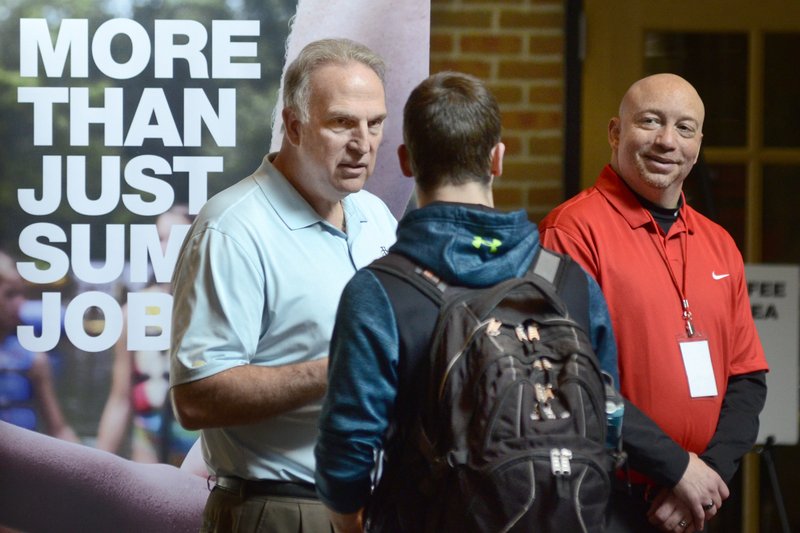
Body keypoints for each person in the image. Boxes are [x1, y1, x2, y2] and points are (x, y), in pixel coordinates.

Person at [314, 71, 619, 533]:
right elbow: (610, 414)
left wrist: (350, 521)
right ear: (497, 159)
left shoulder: (379, 292)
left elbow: (347, 447)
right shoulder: (569, 281)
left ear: (405, 161)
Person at [169, 38, 397, 533]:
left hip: (374, 507)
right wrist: (341, 366)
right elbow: (197, 397)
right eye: (342, 122)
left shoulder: (375, 216)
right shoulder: (233, 229)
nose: (363, 142)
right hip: (282, 509)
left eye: (374, 123)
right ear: (293, 125)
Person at [539, 73, 768, 533]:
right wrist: (677, 469)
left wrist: (709, 474)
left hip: (695, 503)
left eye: (685, 128)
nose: (667, 141)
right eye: (650, 122)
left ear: (698, 143)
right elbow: (568, 377)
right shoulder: (569, 232)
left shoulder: (720, 244)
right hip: (605, 502)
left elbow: (747, 379)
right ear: (615, 132)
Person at [96, 205, 198, 466]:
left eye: (173, 237)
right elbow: (119, 400)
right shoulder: (132, 313)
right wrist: (95, 469)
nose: (162, 247)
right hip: (147, 457)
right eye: (159, 238)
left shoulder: (224, 306)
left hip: (203, 464)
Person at [0, 249, 79, 444]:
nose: (21, 302)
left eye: (21, 293)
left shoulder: (34, 359)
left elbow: (58, 429)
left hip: (18, 469)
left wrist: (97, 467)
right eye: (10, 295)